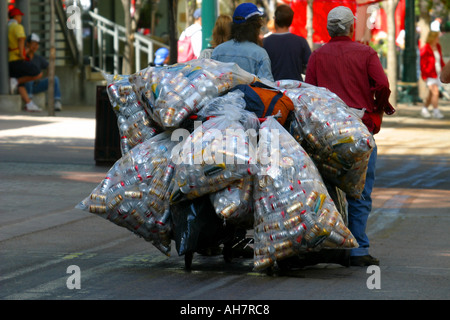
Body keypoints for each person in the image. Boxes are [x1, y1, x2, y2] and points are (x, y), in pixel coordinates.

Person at [305, 6, 395, 267]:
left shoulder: (317, 56)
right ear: (351, 27)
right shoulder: (366, 53)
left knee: (324, 188)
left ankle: (328, 242)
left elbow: (310, 93)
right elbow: (383, 85)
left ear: (329, 29)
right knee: (360, 191)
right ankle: (358, 249)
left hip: (326, 132)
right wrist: (379, 106)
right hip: (358, 130)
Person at [211, 3, 274, 82]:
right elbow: (268, 86)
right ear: (255, 27)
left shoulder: (218, 51)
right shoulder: (260, 54)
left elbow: (211, 81)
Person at [263, 4, 311, 81]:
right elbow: (310, 65)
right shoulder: (301, 41)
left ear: (275, 20)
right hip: (296, 88)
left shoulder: (265, 42)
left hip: (273, 88)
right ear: (291, 21)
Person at [7, 7, 43, 112]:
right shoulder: (17, 27)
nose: (21, 18)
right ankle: (15, 81)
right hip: (16, 59)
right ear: (16, 16)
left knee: (21, 84)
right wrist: (22, 54)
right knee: (37, 73)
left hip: (8, 61)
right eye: (20, 16)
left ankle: (29, 103)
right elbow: (21, 39)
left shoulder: (6, 27)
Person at [24, 33, 63, 111]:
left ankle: (57, 101)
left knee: (55, 79)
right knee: (29, 78)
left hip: (36, 84)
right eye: (33, 44)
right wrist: (26, 52)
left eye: (37, 44)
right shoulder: (23, 56)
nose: (35, 46)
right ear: (28, 44)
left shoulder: (38, 58)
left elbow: (49, 66)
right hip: (25, 84)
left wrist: (47, 76)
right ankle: (29, 102)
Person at [419, 31, 445, 119]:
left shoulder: (438, 46)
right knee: (435, 92)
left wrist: (444, 70)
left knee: (431, 94)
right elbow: (422, 63)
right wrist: (424, 76)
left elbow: (440, 60)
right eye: (437, 37)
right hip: (429, 74)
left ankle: (424, 109)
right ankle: (436, 111)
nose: (438, 39)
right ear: (432, 38)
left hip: (437, 73)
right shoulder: (425, 48)